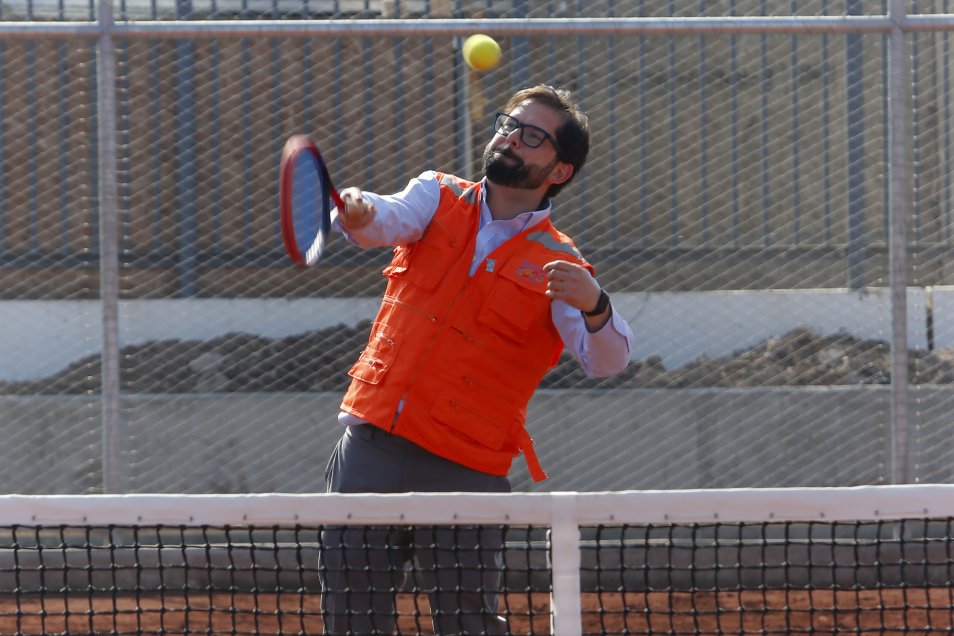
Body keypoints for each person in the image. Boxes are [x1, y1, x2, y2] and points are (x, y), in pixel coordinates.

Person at [319, 84, 634, 635]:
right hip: (371, 449)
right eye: (508, 124)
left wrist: (596, 305)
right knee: (351, 619)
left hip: (467, 469)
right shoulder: (436, 195)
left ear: (559, 170)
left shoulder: (561, 262)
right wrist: (358, 208)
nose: (510, 137)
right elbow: (382, 219)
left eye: (531, 136)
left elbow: (607, 362)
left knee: (468, 624)